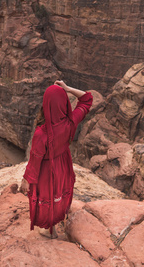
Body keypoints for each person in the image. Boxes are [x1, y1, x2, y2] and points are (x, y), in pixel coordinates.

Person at [20, 80, 92, 239]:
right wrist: (68, 88)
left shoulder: (42, 133)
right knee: (59, 192)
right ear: (64, 102)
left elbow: (34, 160)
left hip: (47, 170)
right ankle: (55, 223)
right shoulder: (71, 122)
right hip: (63, 165)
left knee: (47, 195)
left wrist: (26, 180)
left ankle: (48, 228)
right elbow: (87, 99)